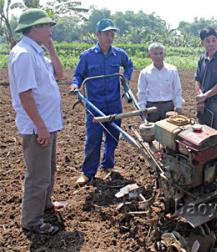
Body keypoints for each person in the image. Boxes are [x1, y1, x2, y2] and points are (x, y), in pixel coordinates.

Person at [8, 8, 64, 235]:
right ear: (34, 28)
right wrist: (40, 126)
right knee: (38, 175)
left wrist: (51, 48)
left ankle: (45, 204)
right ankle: (31, 220)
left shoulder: (37, 52)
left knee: (48, 170)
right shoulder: (23, 54)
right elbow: (25, 95)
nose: (50, 30)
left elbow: (59, 75)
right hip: (37, 126)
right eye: (47, 26)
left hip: (47, 123)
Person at [70, 18, 134, 185]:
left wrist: (125, 79)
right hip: (95, 104)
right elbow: (78, 75)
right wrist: (75, 85)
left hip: (113, 102)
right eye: (107, 33)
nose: (110, 37)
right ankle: (88, 172)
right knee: (94, 138)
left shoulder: (119, 54)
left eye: (112, 34)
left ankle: (107, 165)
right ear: (98, 35)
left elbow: (129, 65)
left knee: (113, 135)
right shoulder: (87, 56)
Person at [137, 42, 183, 122]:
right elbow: (142, 92)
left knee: (169, 132)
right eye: (155, 54)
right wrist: (142, 109)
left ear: (164, 54)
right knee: (152, 132)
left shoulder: (172, 70)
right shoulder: (145, 72)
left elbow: (177, 90)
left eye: (161, 53)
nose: (158, 56)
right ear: (150, 55)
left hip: (168, 106)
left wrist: (178, 105)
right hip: (151, 107)